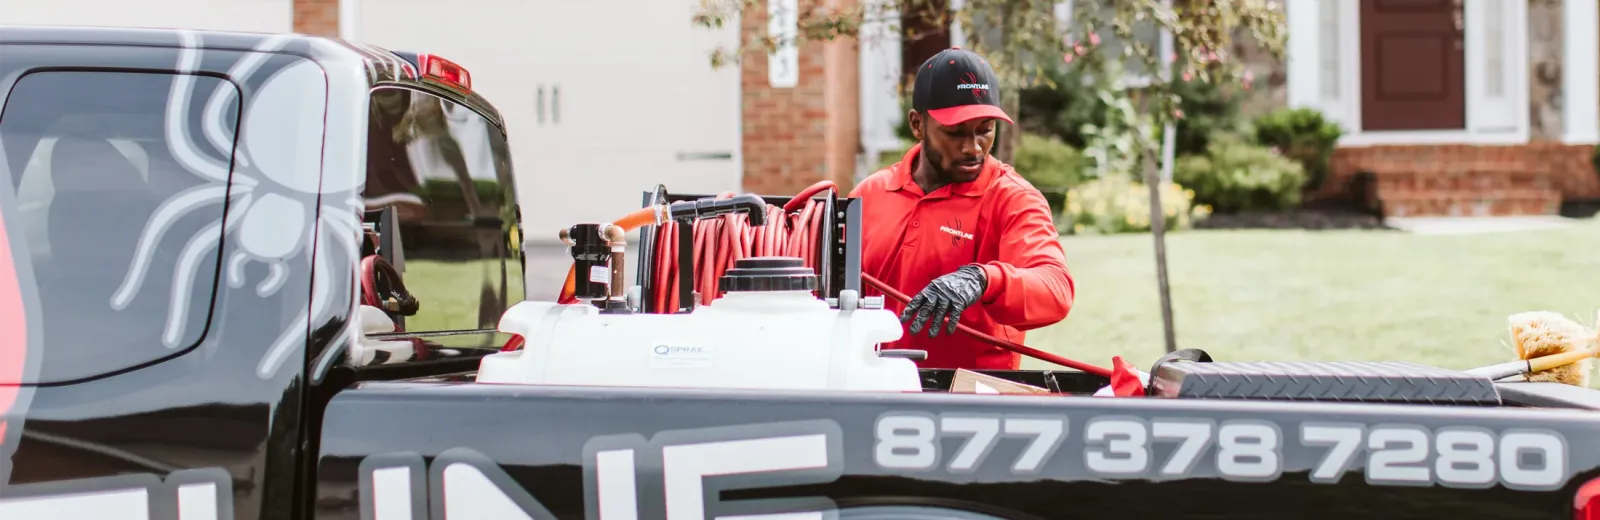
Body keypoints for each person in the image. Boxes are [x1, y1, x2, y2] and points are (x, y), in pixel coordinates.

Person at [849, 47, 1075, 370]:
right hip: (876, 392)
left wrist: (983, 279)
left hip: (973, 406)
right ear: (918, 124)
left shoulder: (1013, 199)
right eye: (955, 133)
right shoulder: (869, 195)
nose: (973, 148)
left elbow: (1055, 289)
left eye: (984, 129)